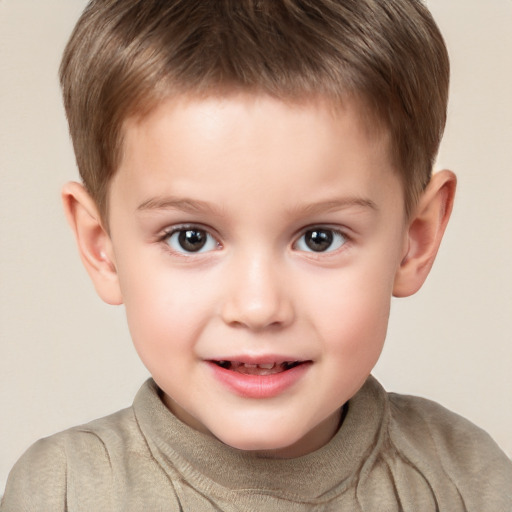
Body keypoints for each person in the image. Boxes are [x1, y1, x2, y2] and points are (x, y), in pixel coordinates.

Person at [1, 0, 511, 510]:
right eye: (191, 238)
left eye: (319, 238)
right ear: (102, 247)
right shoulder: (62, 490)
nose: (258, 307)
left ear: (414, 240)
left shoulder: (466, 481)